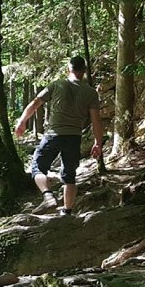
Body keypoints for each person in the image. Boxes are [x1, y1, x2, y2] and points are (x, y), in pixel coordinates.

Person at [14, 56, 103, 215]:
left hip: (53, 135)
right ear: (84, 71)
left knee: (37, 167)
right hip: (74, 137)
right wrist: (98, 143)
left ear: (69, 68)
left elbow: (35, 103)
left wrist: (22, 121)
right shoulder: (90, 93)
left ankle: (48, 197)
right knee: (70, 175)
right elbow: (96, 121)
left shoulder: (56, 85)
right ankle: (67, 212)